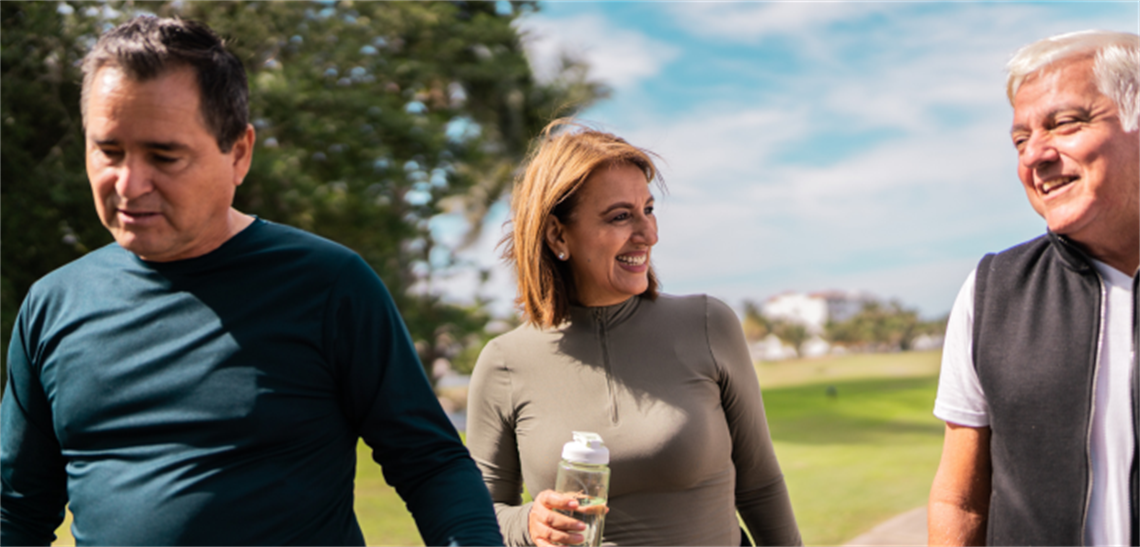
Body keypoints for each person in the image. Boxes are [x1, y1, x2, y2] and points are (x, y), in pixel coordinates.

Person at [0, 16, 501, 547]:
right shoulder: (52, 305)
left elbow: (431, 464)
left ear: (238, 152)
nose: (129, 183)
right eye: (109, 151)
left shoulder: (329, 285)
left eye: (163, 155)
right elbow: (16, 511)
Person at [466, 119, 802, 547]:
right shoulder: (505, 363)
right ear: (556, 234)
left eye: (648, 210)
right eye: (620, 216)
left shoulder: (707, 324)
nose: (649, 235)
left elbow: (760, 484)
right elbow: (476, 517)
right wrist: (529, 523)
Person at [928, 30, 1139, 546]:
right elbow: (958, 502)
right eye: (1021, 140)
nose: (1034, 156)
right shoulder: (991, 293)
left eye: (1065, 124)